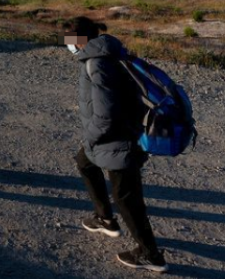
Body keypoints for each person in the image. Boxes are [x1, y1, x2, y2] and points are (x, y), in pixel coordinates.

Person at [62, 16, 168, 273]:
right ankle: (105, 218)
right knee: (84, 162)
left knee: (127, 198)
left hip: (118, 140)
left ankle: (150, 254)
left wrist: (93, 136)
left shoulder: (97, 63)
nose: (68, 44)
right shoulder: (106, 53)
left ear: (81, 39)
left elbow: (106, 113)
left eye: (70, 39)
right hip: (112, 137)